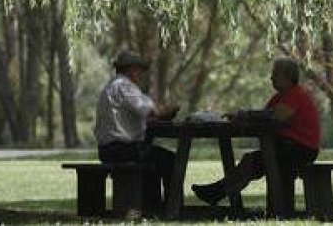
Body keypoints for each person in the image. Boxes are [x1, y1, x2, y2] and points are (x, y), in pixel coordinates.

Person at [191, 57, 320, 208]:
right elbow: (265, 115)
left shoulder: (296, 94)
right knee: (254, 161)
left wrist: (247, 115)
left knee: (254, 161)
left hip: (301, 150)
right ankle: (218, 192)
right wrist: (242, 117)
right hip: (286, 147)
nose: (271, 78)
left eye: (275, 74)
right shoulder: (279, 97)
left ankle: (217, 192)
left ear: (287, 76)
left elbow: (275, 116)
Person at [94, 50, 180, 213]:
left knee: (154, 157)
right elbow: (151, 111)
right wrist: (171, 109)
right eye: (139, 70)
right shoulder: (124, 86)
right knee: (171, 160)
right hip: (122, 149)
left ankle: (152, 205)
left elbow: (134, 117)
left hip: (107, 149)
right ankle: (173, 208)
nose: (140, 74)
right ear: (132, 69)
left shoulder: (110, 87)